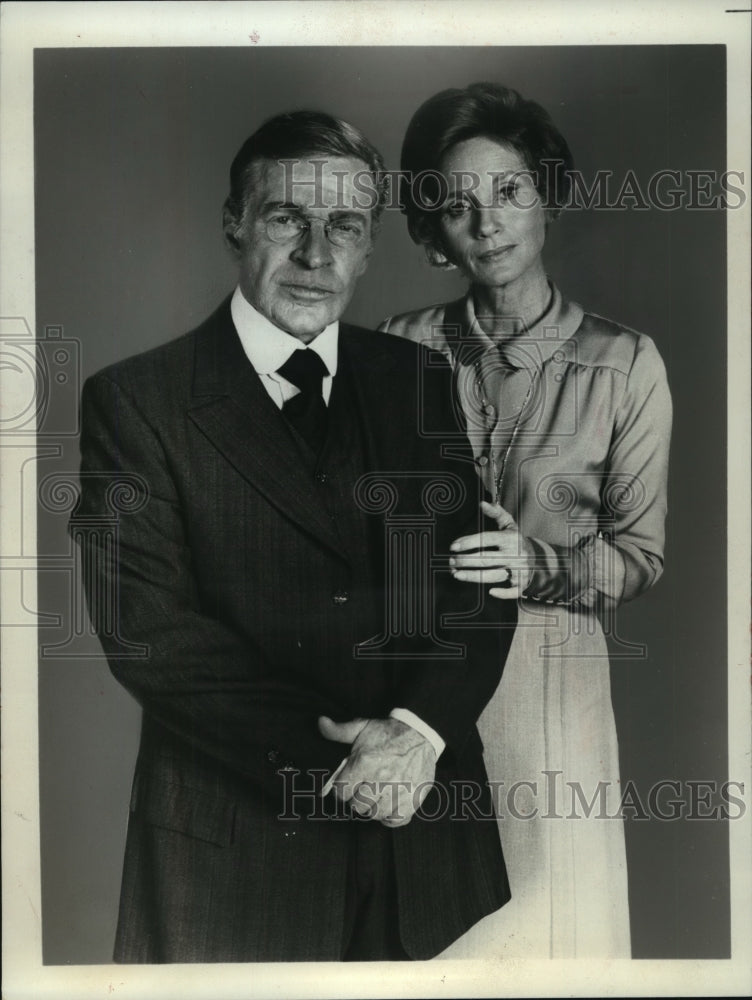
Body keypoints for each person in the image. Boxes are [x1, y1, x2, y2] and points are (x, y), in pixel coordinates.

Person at [71, 109, 516, 963]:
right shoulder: (136, 401)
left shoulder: (417, 379)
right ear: (234, 223)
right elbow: (148, 633)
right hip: (235, 859)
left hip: (423, 853)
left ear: (370, 243)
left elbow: (480, 580)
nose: (317, 254)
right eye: (287, 218)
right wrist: (345, 766)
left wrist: (417, 734)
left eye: (344, 224)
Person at [380, 83, 672, 958]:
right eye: (457, 205)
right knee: (439, 941)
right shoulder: (396, 346)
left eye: (508, 191)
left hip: (552, 686)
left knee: (554, 933)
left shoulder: (624, 364)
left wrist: (539, 565)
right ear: (435, 233)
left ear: (547, 195)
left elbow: (640, 556)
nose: (489, 222)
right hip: (421, 682)